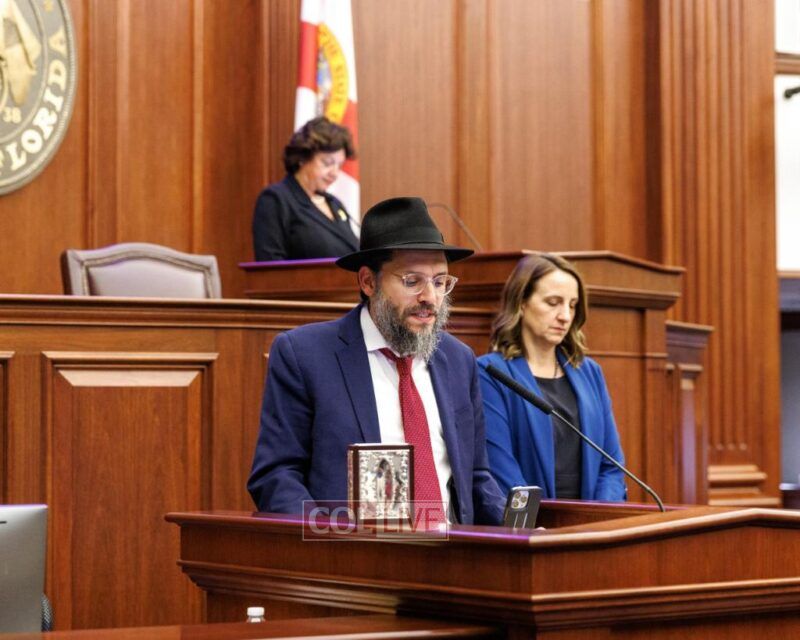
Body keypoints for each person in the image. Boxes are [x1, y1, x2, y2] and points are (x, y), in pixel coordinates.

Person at [247, 197, 505, 526]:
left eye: (440, 282)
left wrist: (522, 536)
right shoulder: (304, 355)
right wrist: (336, 545)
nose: (430, 297)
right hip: (354, 563)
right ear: (368, 282)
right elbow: (276, 477)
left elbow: (476, 476)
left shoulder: (459, 359)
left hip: (455, 561)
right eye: (412, 281)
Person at [477, 253, 626, 502]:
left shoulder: (589, 372)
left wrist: (602, 521)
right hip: (533, 528)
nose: (565, 316)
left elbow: (611, 465)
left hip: (592, 527)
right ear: (522, 302)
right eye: (553, 302)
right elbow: (499, 468)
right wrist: (535, 531)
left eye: (572, 305)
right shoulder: (491, 373)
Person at [252, 116, 359, 261]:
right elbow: (269, 266)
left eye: (339, 166)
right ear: (302, 158)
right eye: (328, 163)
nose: (335, 173)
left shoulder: (334, 203)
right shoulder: (275, 200)